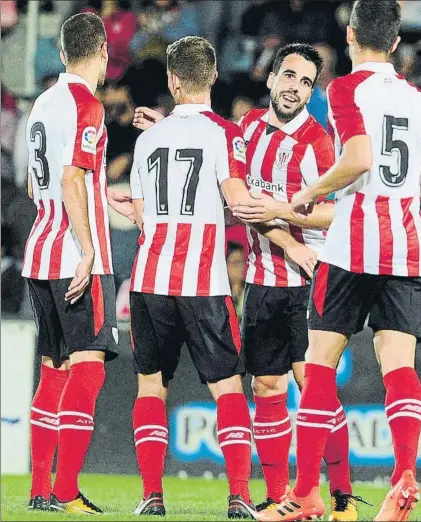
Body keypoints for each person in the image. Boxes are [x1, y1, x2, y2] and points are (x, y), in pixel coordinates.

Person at [258, 1, 421, 520]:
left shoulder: (344, 89)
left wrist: (303, 198)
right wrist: (402, 198)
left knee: (319, 366)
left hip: (352, 244)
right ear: (394, 41)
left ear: (350, 35)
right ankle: (404, 475)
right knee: (400, 368)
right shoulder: (417, 97)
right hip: (407, 247)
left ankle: (304, 496)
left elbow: (360, 158)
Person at [129, 36, 257, 518]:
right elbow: (238, 199)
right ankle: (239, 496)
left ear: (172, 80)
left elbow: (142, 215)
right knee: (227, 389)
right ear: (215, 75)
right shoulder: (224, 134)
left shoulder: (147, 140)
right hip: (203, 283)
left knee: (150, 390)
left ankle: (152, 496)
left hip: (150, 281)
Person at [231, 43, 358, 521]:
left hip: (309, 280)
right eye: (288, 76)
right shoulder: (247, 129)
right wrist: (290, 242)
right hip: (263, 279)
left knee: (314, 388)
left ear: (313, 91)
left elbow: (334, 214)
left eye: (306, 82)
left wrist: (288, 224)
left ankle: (342, 496)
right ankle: (281, 495)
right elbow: (241, 199)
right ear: (270, 78)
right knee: (266, 387)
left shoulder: (319, 142)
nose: (294, 87)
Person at [23, 12, 135, 514]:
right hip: (75, 255)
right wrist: (89, 248)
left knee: (54, 372)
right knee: (88, 370)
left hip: (39, 250)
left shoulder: (43, 101)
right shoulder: (86, 104)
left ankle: (40, 492)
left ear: (65, 53)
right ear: (103, 54)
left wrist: (102, 195)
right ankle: (67, 491)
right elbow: (71, 179)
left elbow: (37, 183)